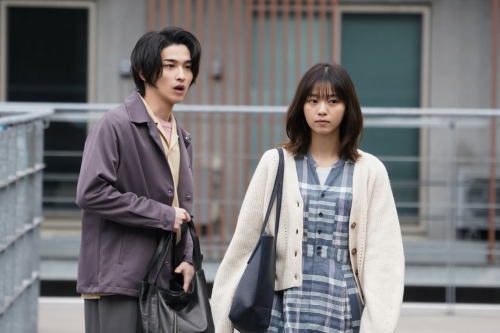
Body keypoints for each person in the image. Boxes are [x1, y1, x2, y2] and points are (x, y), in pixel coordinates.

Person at [211, 63, 405, 332]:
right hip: (283, 310)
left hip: (342, 311)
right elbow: (243, 247)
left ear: (347, 107)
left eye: (333, 101)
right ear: (301, 107)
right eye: (313, 100)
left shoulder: (370, 171)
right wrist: (221, 323)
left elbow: (384, 260)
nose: (322, 110)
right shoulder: (275, 163)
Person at [75, 26, 201, 333]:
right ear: (143, 71)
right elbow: (90, 192)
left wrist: (187, 258)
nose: (181, 75)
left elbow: (180, 206)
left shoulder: (180, 136)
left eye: (187, 67)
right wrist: (162, 215)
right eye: (170, 66)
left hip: (162, 277)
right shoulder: (115, 125)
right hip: (118, 280)